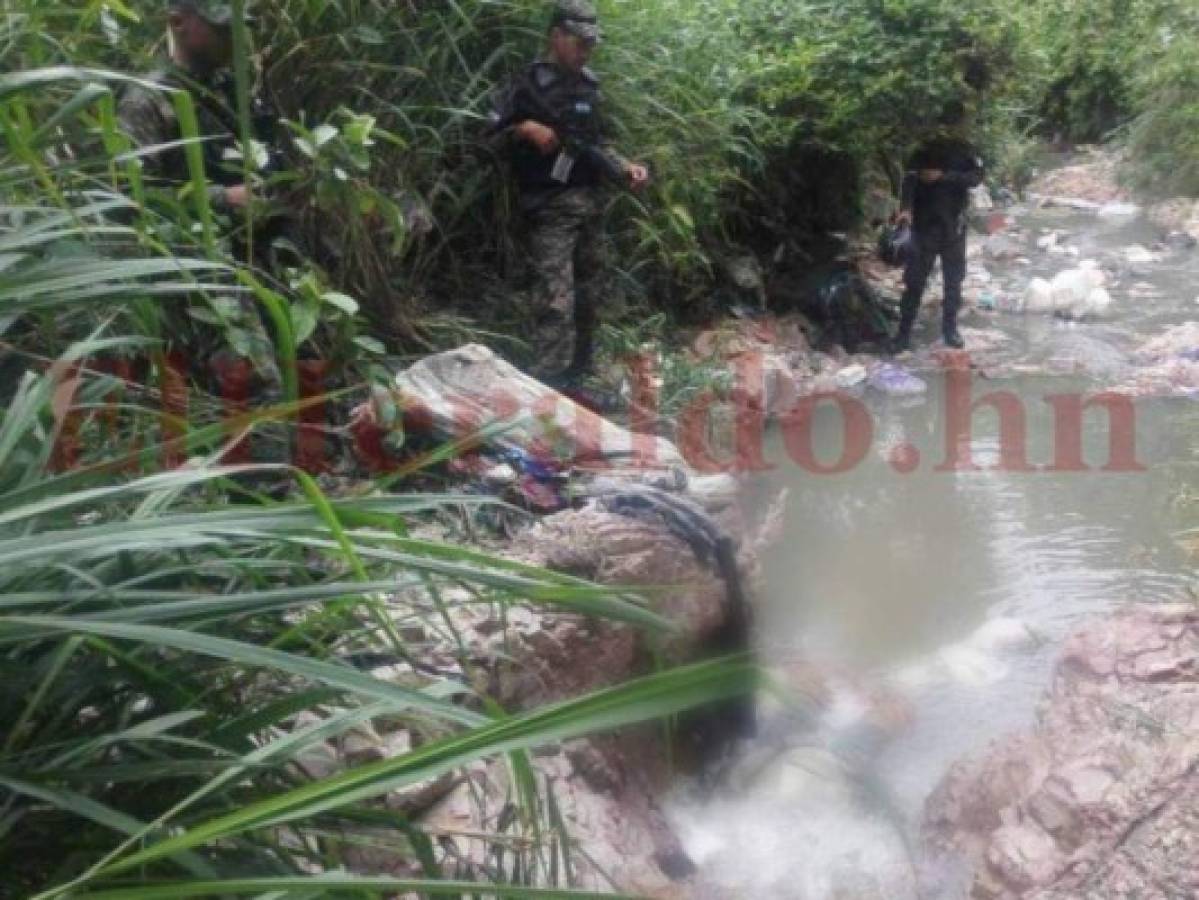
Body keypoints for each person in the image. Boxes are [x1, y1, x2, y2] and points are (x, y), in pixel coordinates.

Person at [490, 0, 650, 386]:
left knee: (589, 297)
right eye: (579, 43)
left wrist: (625, 166)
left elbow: (596, 143)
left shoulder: (589, 86)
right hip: (548, 207)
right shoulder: (527, 83)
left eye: (591, 44)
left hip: (589, 206)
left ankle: (579, 377)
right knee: (553, 301)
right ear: (556, 37)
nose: (586, 51)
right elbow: (487, 133)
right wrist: (525, 129)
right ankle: (548, 383)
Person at [892, 102, 984, 352]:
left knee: (953, 282)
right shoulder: (923, 149)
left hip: (954, 225)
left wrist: (943, 177)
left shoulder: (967, 151)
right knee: (914, 281)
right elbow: (909, 179)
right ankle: (903, 333)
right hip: (923, 226)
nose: (950, 130)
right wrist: (906, 209)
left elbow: (976, 179)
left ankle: (950, 330)